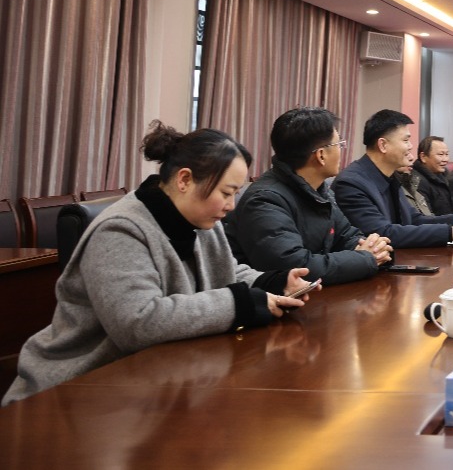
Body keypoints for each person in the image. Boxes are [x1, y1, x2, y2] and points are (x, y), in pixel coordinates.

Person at [2, 121, 315, 406]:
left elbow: (226, 272)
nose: (231, 206)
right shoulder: (120, 231)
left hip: (151, 381)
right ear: (184, 179)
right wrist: (243, 304)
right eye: (226, 192)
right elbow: (137, 323)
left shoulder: (201, 219)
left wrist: (273, 283)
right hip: (74, 391)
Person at [224, 107, 391, 285]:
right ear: (321, 155)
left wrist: (375, 249)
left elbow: (347, 236)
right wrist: (365, 259)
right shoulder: (265, 200)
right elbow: (294, 267)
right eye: (339, 144)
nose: (341, 150)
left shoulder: (320, 191)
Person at [333, 110, 453, 247]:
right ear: (383, 145)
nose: (410, 146)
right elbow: (383, 233)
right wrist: (449, 232)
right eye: (405, 140)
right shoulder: (351, 184)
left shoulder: (390, 177)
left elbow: (414, 219)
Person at [412, 135, 453, 216]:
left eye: (447, 154)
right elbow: (426, 217)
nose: (446, 159)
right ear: (423, 157)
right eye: (440, 154)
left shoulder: (444, 174)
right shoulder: (417, 181)